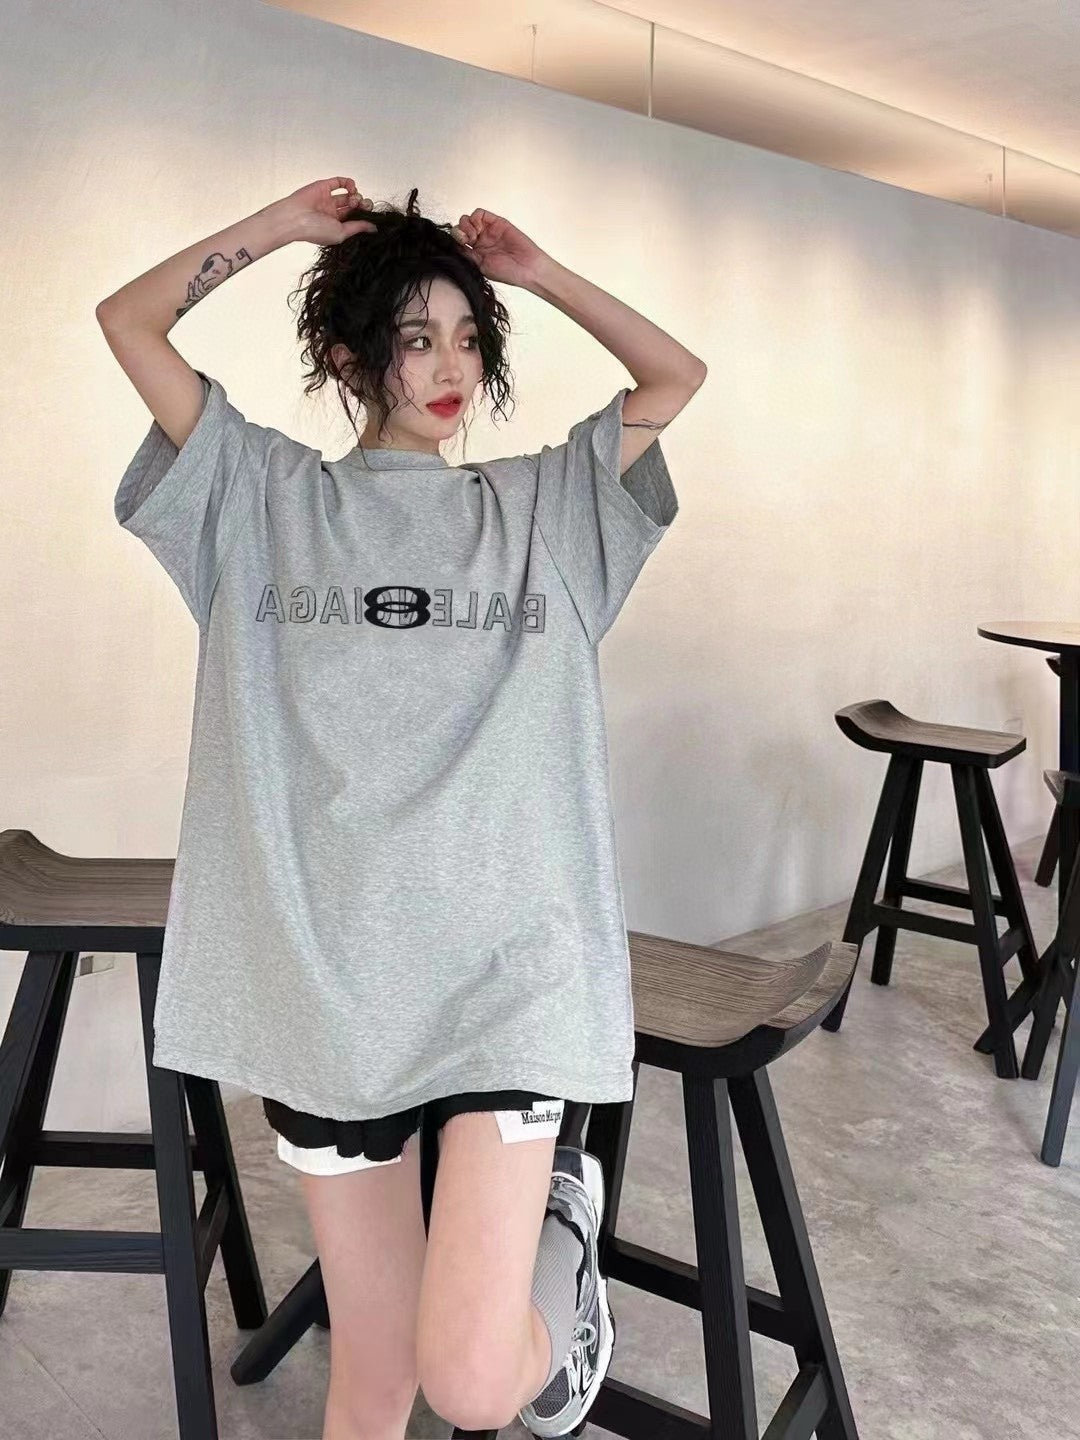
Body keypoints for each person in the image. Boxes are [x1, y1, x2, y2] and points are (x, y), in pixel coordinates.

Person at [96, 177, 706, 1439]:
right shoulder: (256, 498)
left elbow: (674, 377)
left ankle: (562, 1235)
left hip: (510, 983)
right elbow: (127, 323)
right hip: (326, 990)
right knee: (375, 1378)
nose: (450, 368)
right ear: (348, 354)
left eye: (468, 339)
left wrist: (539, 275)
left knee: (474, 1382)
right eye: (417, 337)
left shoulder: (544, 509)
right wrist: (278, 229)